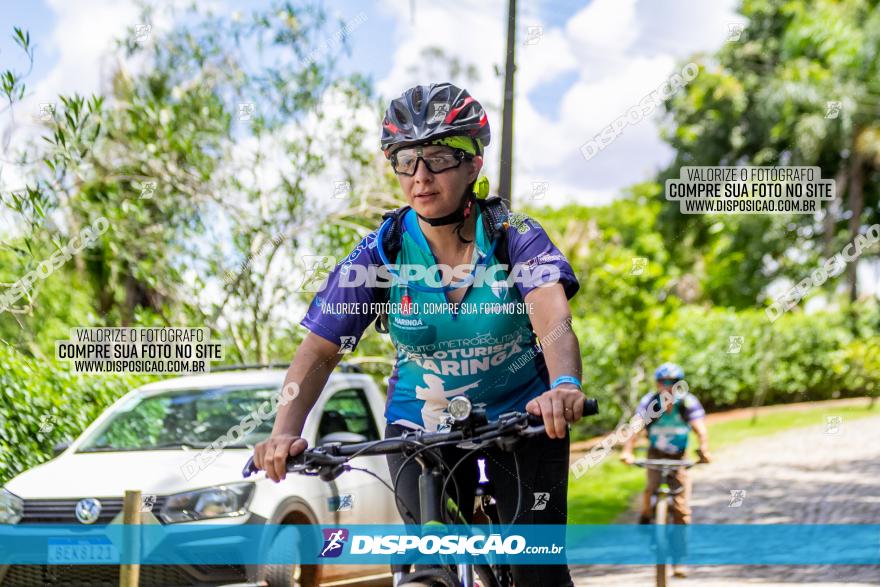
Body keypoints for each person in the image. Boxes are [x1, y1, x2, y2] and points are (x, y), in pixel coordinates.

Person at [251, 82, 585, 586]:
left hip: (524, 417)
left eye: (438, 158)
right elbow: (320, 350)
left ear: (474, 165)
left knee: (533, 566)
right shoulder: (381, 251)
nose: (420, 177)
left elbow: (551, 316)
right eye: (405, 161)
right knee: (424, 563)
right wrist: (283, 432)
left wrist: (564, 387)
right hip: (419, 425)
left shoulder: (514, 235)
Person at [620, 362, 712, 577]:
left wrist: (704, 450)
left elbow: (701, 429)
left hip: (679, 456)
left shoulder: (687, 403)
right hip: (655, 453)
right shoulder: (650, 403)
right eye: (663, 382)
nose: (667, 387)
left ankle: (679, 560)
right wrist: (627, 451)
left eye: (672, 383)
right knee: (650, 488)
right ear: (657, 384)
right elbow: (635, 428)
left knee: (681, 508)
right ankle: (645, 515)